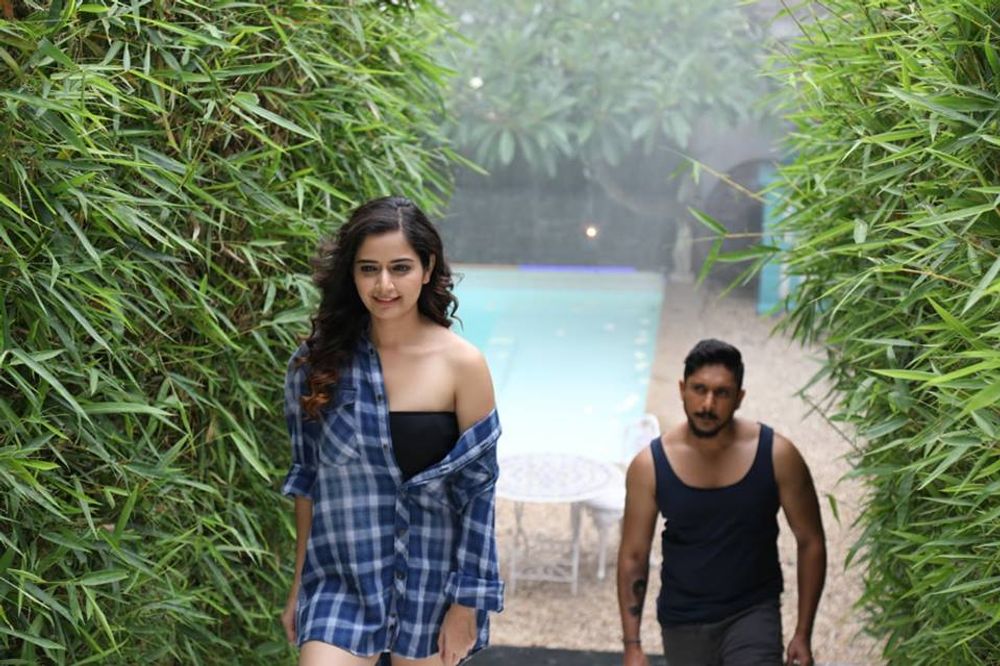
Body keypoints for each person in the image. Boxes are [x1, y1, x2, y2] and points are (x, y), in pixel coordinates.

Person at [280, 196, 504, 666]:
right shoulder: (316, 365)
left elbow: (478, 495)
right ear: (352, 274)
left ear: (427, 268)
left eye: (400, 268)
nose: (384, 285)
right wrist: (300, 585)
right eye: (369, 269)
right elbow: (308, 482)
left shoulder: (463, 365)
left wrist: (467, 604)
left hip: (432, 586)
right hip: (342, 582)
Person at [617, 339, 826, 666]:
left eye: (722, 393)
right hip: (683, 620)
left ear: (739, 397)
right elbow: (633, 555)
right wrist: (632, 645)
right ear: (682, 389)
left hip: (753, 612)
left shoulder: (777, 455)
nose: (707, 404)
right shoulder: (650, 466)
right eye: (699, 389)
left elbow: (811, 541)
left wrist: (803, 632)